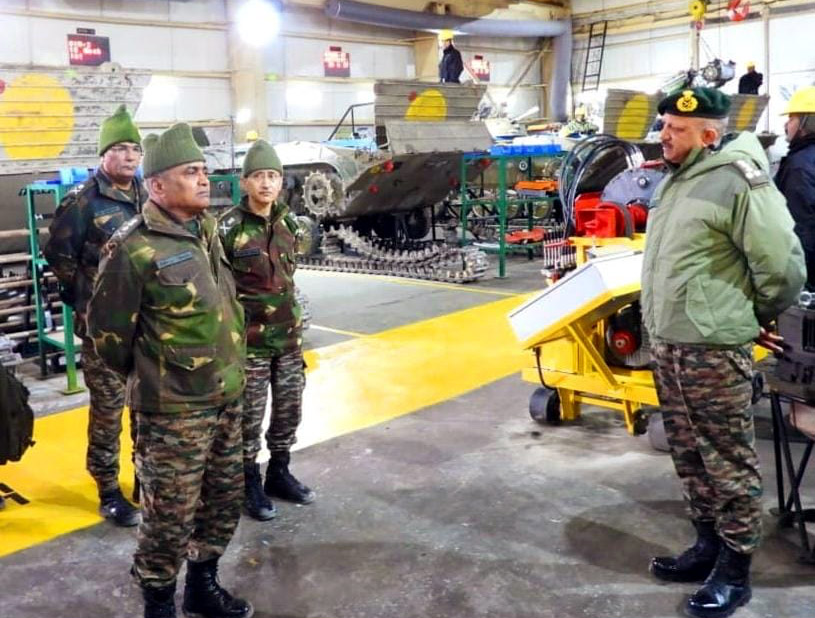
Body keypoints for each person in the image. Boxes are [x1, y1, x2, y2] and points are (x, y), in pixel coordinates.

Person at [642, 87, 805, 618]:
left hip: (711, 349)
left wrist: (749, 316)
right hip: (668, 343)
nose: (664, 135)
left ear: (709, 135)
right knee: (689, 454)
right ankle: (707, 545)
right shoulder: (676, 181)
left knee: (727, 459)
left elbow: (782, 267)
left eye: (677, 128)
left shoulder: (738, 180)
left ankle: (735, 570)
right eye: (664, 124)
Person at [88, 123, 252, 618]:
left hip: (226, 397)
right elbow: (108, 336)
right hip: (173, 412)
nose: (204, 180)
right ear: (157, 185)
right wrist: (159, 376)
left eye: (203, 170)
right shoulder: (133, 247)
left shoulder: (206, 230)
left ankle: (202, 585)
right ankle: (158, 602)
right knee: (169, 516)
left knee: (222, 500)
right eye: (190, 172)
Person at [43, 104, 145, 527]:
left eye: (135, 149)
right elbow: (58, 256)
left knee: (146, 407)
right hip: (104, 332)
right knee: (108, 412)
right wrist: (89, 299)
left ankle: (145, 478)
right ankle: (107, 489)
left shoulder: (147, 194)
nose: (129, 156)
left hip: (146, 326)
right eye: (120, 148)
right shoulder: (83, 201)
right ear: (104, 154)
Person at [218, 140, 313, 522]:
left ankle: (279, 471)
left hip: (288, 340)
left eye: (273, 176)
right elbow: (219, 288)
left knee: (289, 411)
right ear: (244, 182)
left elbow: (289, 277)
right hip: (250, 344)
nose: (266, 183)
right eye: (258, 176)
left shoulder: (290, 223)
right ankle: (249, 482)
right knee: (248, 418)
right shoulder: (227, 228)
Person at [775, 86, 815, 289]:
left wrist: (800, 281)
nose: (786, 124)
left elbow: (800, 225)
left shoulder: (800, 166)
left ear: (805, 123)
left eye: (791, 118)